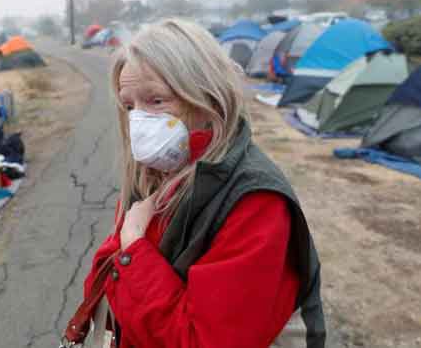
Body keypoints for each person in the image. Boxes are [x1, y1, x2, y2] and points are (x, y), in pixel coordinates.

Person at [77, 19, 325, 348]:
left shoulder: (254, 201)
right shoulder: (154, 171)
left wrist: (134, 247)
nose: (139, 120)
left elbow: (203, 340)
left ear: (206, 98)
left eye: (156, 100)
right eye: (129, 105)